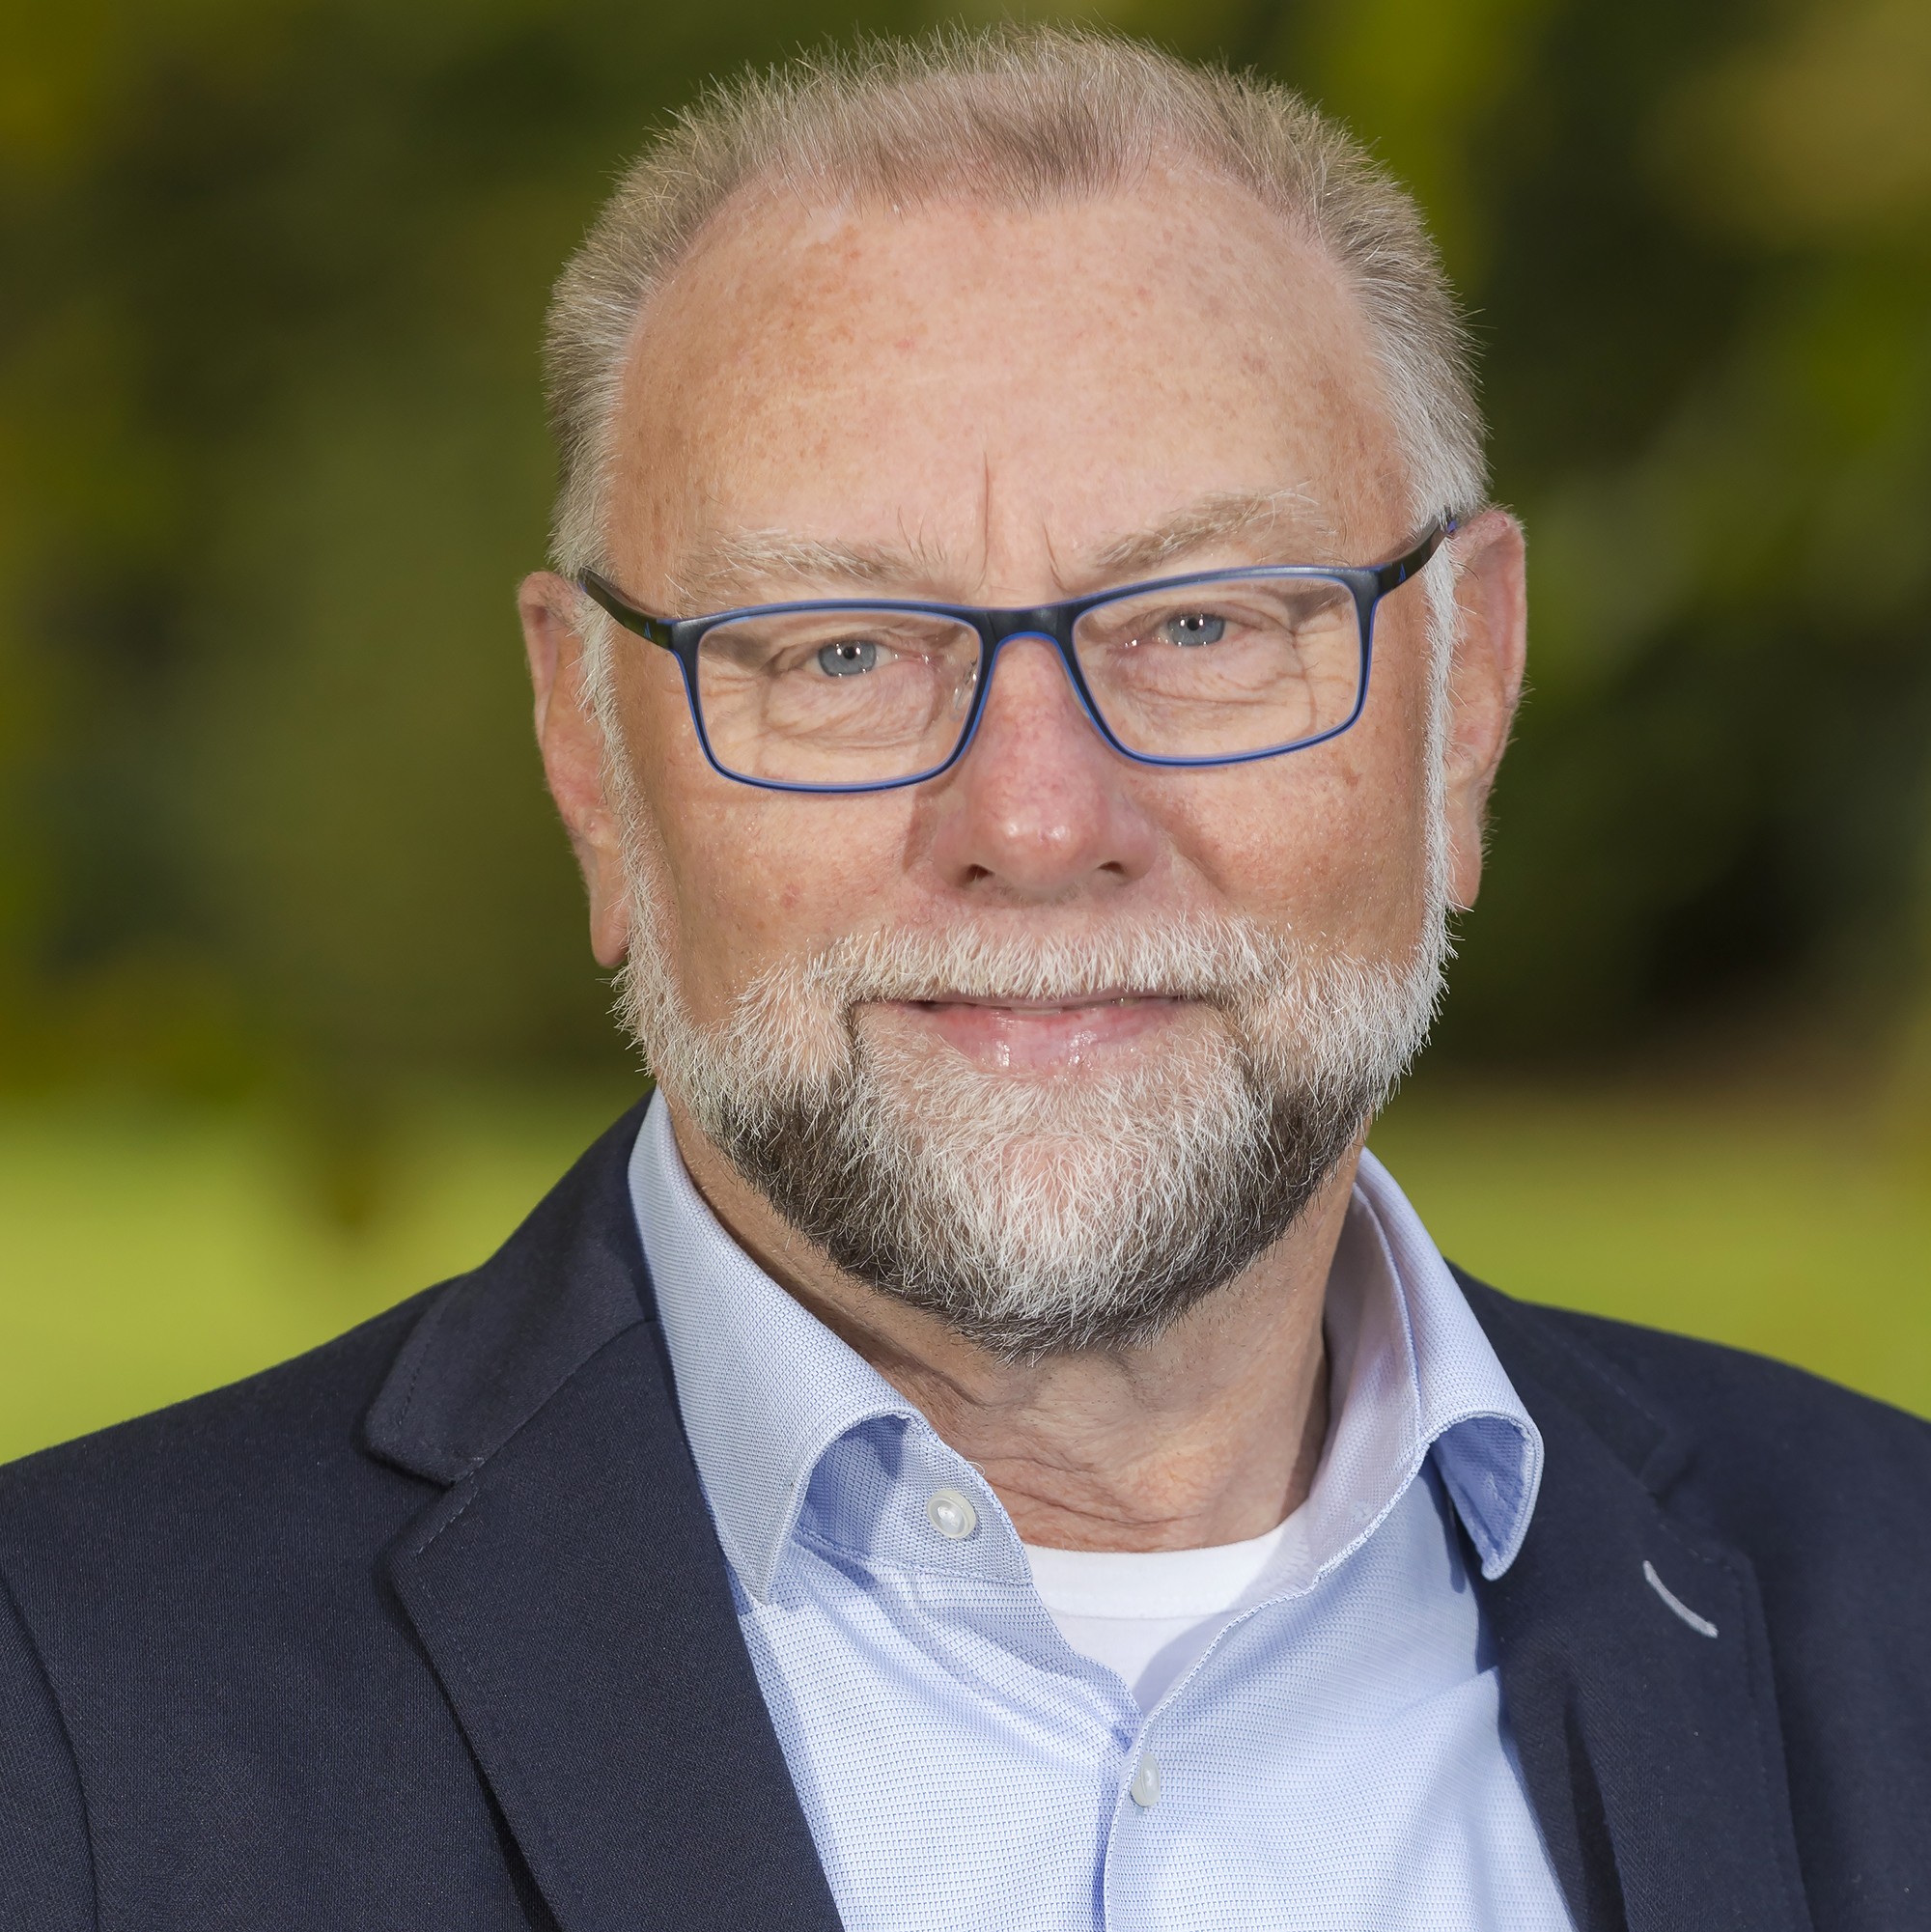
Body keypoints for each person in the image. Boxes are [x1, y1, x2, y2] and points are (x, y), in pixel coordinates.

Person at [2, 27, 1925, 1931]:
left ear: (1469, 695)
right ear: (588, 752)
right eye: (838, 650)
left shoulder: (1895, 1605)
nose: (1036, 817)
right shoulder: (63, 1714)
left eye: (1199, 621)